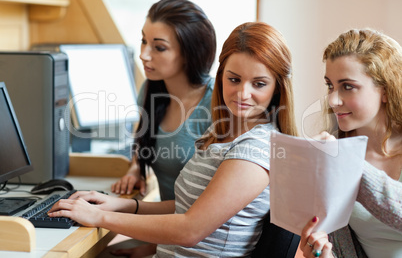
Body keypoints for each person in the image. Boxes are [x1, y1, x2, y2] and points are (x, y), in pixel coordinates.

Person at [48, 21, 298, 257]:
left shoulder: (256, 148)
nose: (243, 93)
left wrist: (99, 217)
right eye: (234, 79)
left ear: (276, 87)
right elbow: (188, 207)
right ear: (221, 75)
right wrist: (121, 205)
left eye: (259, 84)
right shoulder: (223, 133)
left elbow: (190, 229)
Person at [299, 28, 402, 258]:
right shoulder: (333, 152)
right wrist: (323, 254)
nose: (333, 100)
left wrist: (348, 165)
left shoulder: (339, 157)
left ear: (385, 90)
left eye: (347, 86)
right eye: (330, 85)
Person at [111, 0, 216, 199]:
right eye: (143, 41)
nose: (144, 54)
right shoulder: (150, 89)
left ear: (190, 53)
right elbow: (144, 142)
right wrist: (136, 169)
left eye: (159, 47)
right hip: (170, 225)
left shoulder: (215, 103)